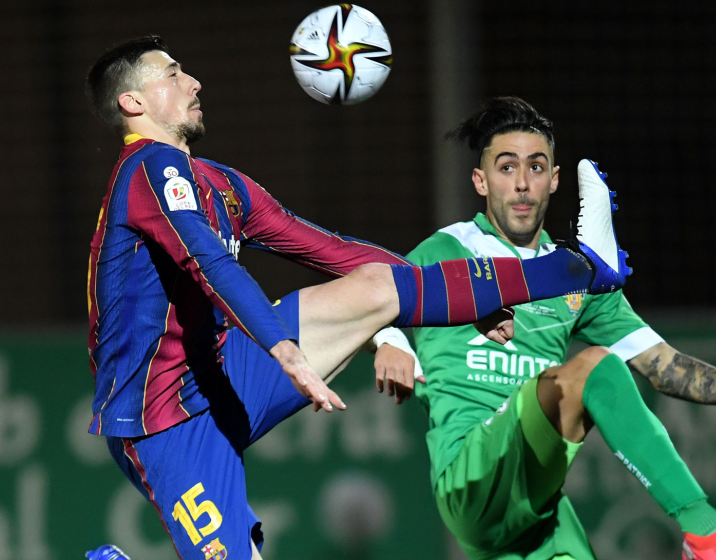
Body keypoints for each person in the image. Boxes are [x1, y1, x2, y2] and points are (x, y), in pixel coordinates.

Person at [82, 37, 631, 560]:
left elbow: (335, 250)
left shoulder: (219, 184)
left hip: (222, 371)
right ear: (134, 101)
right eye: (174, 74)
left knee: (371, 285)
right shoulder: (147, 170)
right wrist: (282, 347)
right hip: (161, 420)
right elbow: (211, 263)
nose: (194, 82)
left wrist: (469, 303)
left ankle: (580, 267)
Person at [371, 97, 716, 560]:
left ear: (555, 179)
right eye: (507, 168)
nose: (523, 183)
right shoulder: (446, 250)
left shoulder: (576, 279)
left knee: (596, 371)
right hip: (471, 474)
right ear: (481, 181)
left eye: (536, 167)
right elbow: (368, 296)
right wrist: (388, 340)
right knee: (592, 367)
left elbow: (665, 368)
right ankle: (707, 536)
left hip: (539, 508)